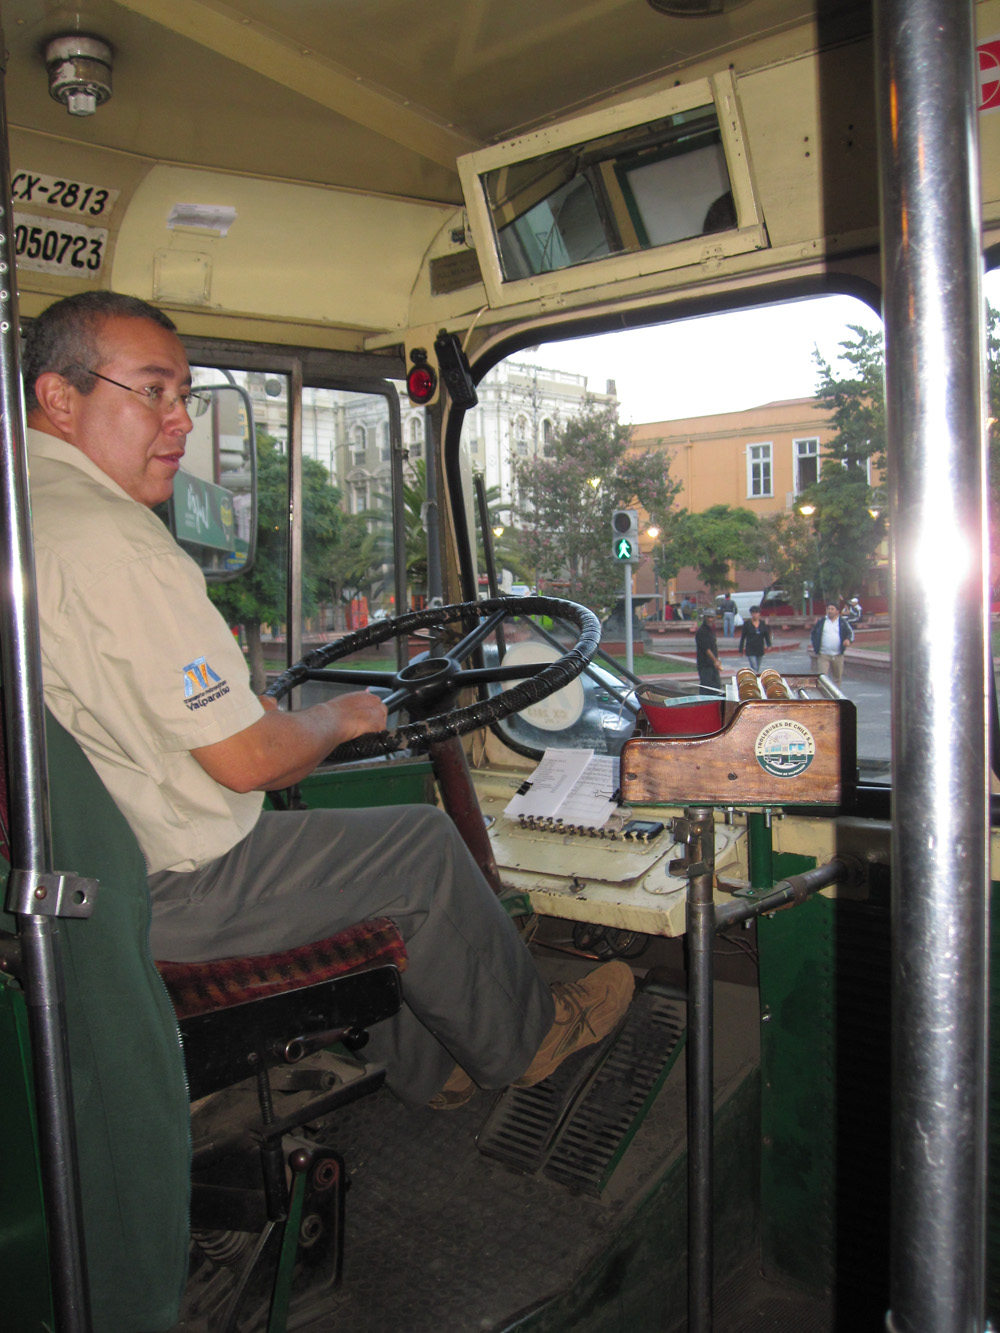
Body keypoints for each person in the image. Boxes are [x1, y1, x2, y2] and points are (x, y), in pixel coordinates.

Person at [21, 291, 633, 1111]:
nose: (180, 421)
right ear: (61, 397)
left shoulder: (30, 512)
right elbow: (250, 764)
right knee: (417, 847)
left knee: (369, 856)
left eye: (186, 395)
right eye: (153, 390)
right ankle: (526, 1040)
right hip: (167, 888)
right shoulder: (116, 542)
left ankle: (435, 1062)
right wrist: (344, 713)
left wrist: (264, 710)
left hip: (80, 874)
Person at [810, 601, 854, 684]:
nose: (830, 611)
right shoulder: (822, 622)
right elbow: (813, 633)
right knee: (822, 678)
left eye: (832, 609)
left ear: (837, 611)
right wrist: (816, 645)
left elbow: (850, 633)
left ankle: (836, 696)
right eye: (828, 609)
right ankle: (824, 696)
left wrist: (848, 640)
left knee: (837, 678)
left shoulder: (842, 622)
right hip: (824, 654)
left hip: (838, 655)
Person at [695, 611, 723, 695]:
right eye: (708, 617)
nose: (710, 619)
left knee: (716, 686)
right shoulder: (702, 631)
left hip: (713, 665)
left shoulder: (711, 630)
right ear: (704, 618)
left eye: (712, 617)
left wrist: (717, 659)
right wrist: (715, 660)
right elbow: (706, 649)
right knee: (706, 688)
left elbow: (713, 647)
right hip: (705, 664)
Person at [738, 605, 772, 673]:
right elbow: (743, 637)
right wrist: (741, 649)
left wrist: (769, 644)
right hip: (750, 649)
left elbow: (766, 635)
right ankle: (756, 679)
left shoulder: (762, 624)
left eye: (756, 613)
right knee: (754, 666)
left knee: (757, 667)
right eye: (753, 613)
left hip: (759, 648)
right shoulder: (747, 624)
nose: (755, 615)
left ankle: (755, 677)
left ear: (759, 614)